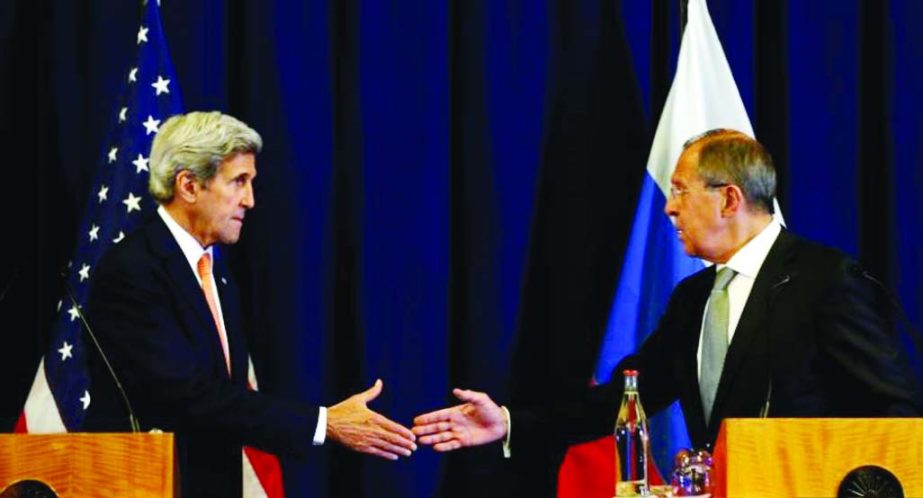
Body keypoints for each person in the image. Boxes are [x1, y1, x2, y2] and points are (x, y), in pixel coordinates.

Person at [412, 129, 923, 458]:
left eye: (681, 190)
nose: (669, 209)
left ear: (728, 198)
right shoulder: (693, 297)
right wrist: (506, 423)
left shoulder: (824, 279)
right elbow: (625, 401)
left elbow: (898, 414)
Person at [84, 111, 416, 498]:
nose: (251, 200)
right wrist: (323, 423)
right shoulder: (133, 270)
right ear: (189, 185)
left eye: (251, 182)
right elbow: (186, 395)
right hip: (147, 485)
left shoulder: (214, 271)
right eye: (239, 182)